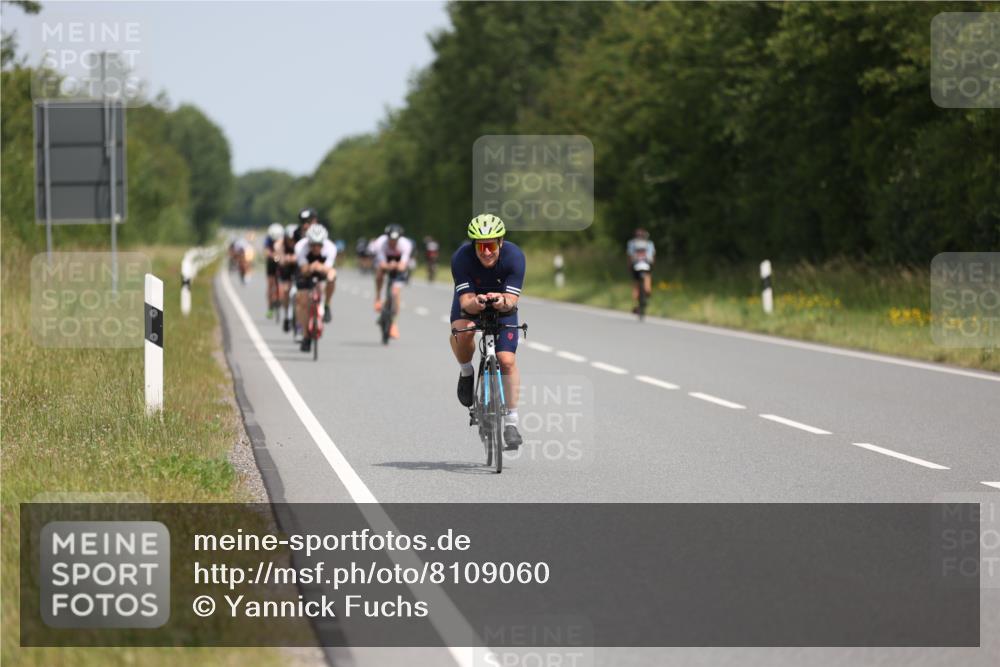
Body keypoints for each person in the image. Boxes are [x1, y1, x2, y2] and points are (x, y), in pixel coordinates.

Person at [449, 214, 525, 450]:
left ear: (500, 242)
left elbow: (512, 300)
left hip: (503, 305)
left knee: (506, 360)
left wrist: (501, 300)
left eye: (491, 245)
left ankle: (511, 422)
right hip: (472, 300)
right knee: (463, 333)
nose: (486, 252)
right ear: (473, 245)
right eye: (481, 246)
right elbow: (466, 302)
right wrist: (479, 302)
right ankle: (466, 371)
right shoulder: (461, 258)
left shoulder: (514, 257)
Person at [294, 224, 337, 352]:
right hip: (305, 271)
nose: (316, 248)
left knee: (332, 276)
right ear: (309, 242)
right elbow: (303, 269)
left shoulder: (330, 248)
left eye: (319, 245)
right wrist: (312, 267)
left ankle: (327, 305)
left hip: (322, 269)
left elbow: (328, 269)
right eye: (313, 245)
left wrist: (320, 268)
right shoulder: (300, 247)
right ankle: (306, 336)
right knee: (302, 301)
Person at [371, 224, 413, 339]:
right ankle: (378, 297)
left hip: (399, 263)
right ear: (387, 237)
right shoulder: (380, 243)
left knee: (395, 293)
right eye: (391, 240)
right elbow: (381, 263)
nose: (393, 242)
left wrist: (398, 265)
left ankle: (394, 324)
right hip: (385, 261)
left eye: (395, 240)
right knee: (379, 272)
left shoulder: (405, 244)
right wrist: (389, 266)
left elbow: (403, 265)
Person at [626, 228, 655, 313]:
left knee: (636, 285)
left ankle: (636, 305)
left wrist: (629, 267)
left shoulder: (632, 243)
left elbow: (630, 256)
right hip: (647, 266)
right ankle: (645, 297)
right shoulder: (649, 243)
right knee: (647, 284)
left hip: (635, 267)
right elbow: (652, 256)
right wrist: (652, 266)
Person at [278, 224, 299, 331]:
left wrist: (291, 258)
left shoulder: (300, 244)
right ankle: (287, 315)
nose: (291, 241)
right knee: (285, 290)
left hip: (297, 268)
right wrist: (285, 259)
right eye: (289, 239)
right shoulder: (282, 244)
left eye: (293, 239)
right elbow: (281, 259)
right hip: (286, 269)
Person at [264, 223, 284, 318]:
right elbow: (267, 251)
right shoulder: (268, 240)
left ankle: (280, 298)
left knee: (283, 282)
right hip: (271, 263)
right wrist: (273, 256)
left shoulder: (283, 240)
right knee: (270, 283)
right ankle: (270, 307)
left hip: (280, 262)